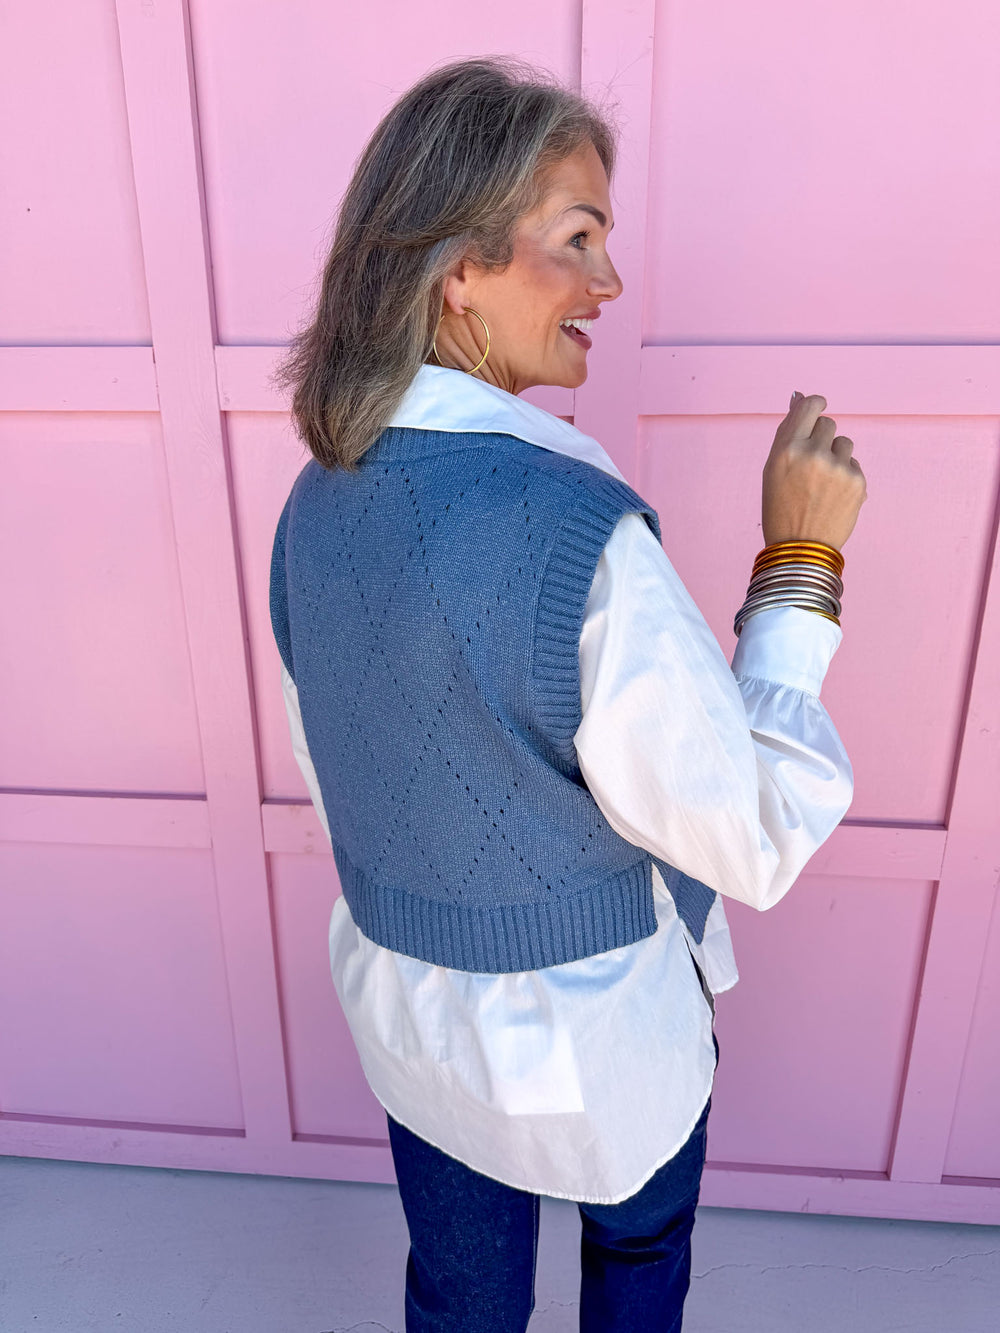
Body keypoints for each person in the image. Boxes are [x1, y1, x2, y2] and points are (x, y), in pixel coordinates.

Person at [268, 56, 866, 1333]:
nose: (608, 282)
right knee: (639, 1259)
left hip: (414, 1018)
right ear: (457, 270)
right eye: (577, 238)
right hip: (604, 1043)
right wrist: (802, 563)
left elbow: (348, 775)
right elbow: (751, 835)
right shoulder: (580, 539)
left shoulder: (313, 504)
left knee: (460, 1298)